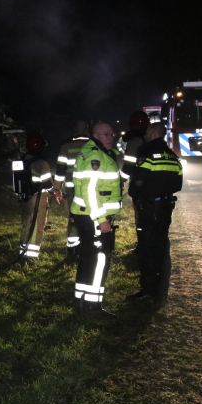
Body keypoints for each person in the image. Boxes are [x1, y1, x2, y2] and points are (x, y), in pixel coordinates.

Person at [126, 122, 183, 304]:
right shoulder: (173, 156)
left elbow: (138, 181)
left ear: (151, 133)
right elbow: (178, 185)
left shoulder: (146, 151)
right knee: (161, 246)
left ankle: (147, 291)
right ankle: (160, 290)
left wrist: (136, 194)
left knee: (146, 248)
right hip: (166, 207)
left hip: (149, 208)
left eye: (146, 133)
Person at [71, 122, 123, 318]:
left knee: (87, 257)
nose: (110, 137)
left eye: (112, 134)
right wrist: (101, 219)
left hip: (86, 214)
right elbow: (90, 191)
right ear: (95, 135)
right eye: (106, 134)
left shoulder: (94, 151)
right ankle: (92, 307)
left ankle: (80, 300)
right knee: (99, 258)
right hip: (93, 215)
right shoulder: (96, 155)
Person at [52, 120, 90, 263]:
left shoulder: (65, 146)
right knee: (89, 217)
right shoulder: (93, 145)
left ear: (74, 129)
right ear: (87, 129)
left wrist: (57, 188)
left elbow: (60, 170)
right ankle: (87, 248)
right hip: (89, 189)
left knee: (73, 220)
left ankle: (73, 251)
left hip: (71, 190)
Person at [14, 132, 54, 259]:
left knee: (27, 225)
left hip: (25, 198)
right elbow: (48, 185)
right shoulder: (42, 163)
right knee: (37, 226)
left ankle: (22, 252)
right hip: (39, 199)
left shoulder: (22, 161)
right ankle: (31, 256)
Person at [119, 111, 151, 252]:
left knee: (141, 217)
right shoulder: (152, 139)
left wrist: (119, 181)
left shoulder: (134, 142)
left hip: (140, 186)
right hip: (154, 184)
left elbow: (128, 167)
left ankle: (143, 246)